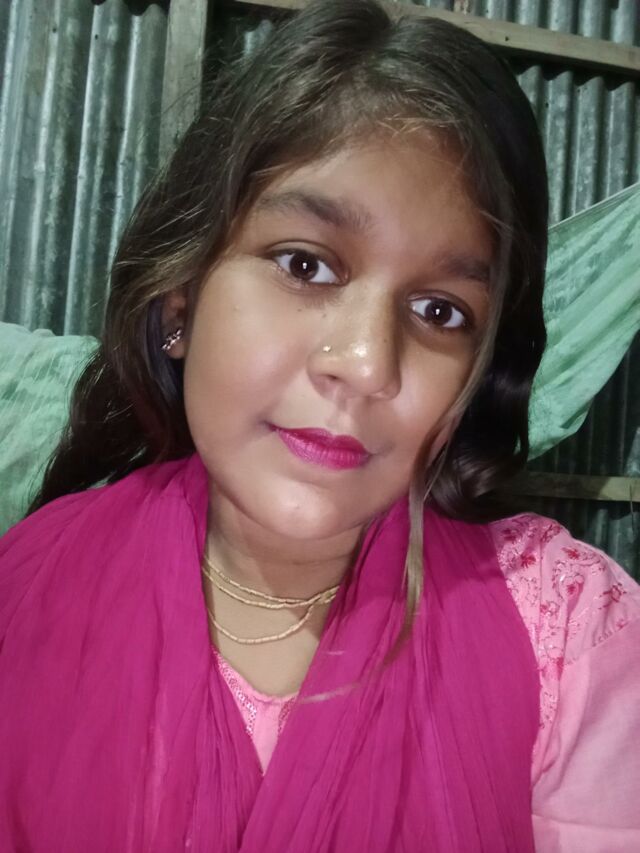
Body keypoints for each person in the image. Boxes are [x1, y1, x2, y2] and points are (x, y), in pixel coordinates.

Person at [0, 0, 638, 850]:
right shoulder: (28, 590)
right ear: (181, 301)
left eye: (440, 311)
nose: (367, 364)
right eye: (306, 264)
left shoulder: (574, 639)